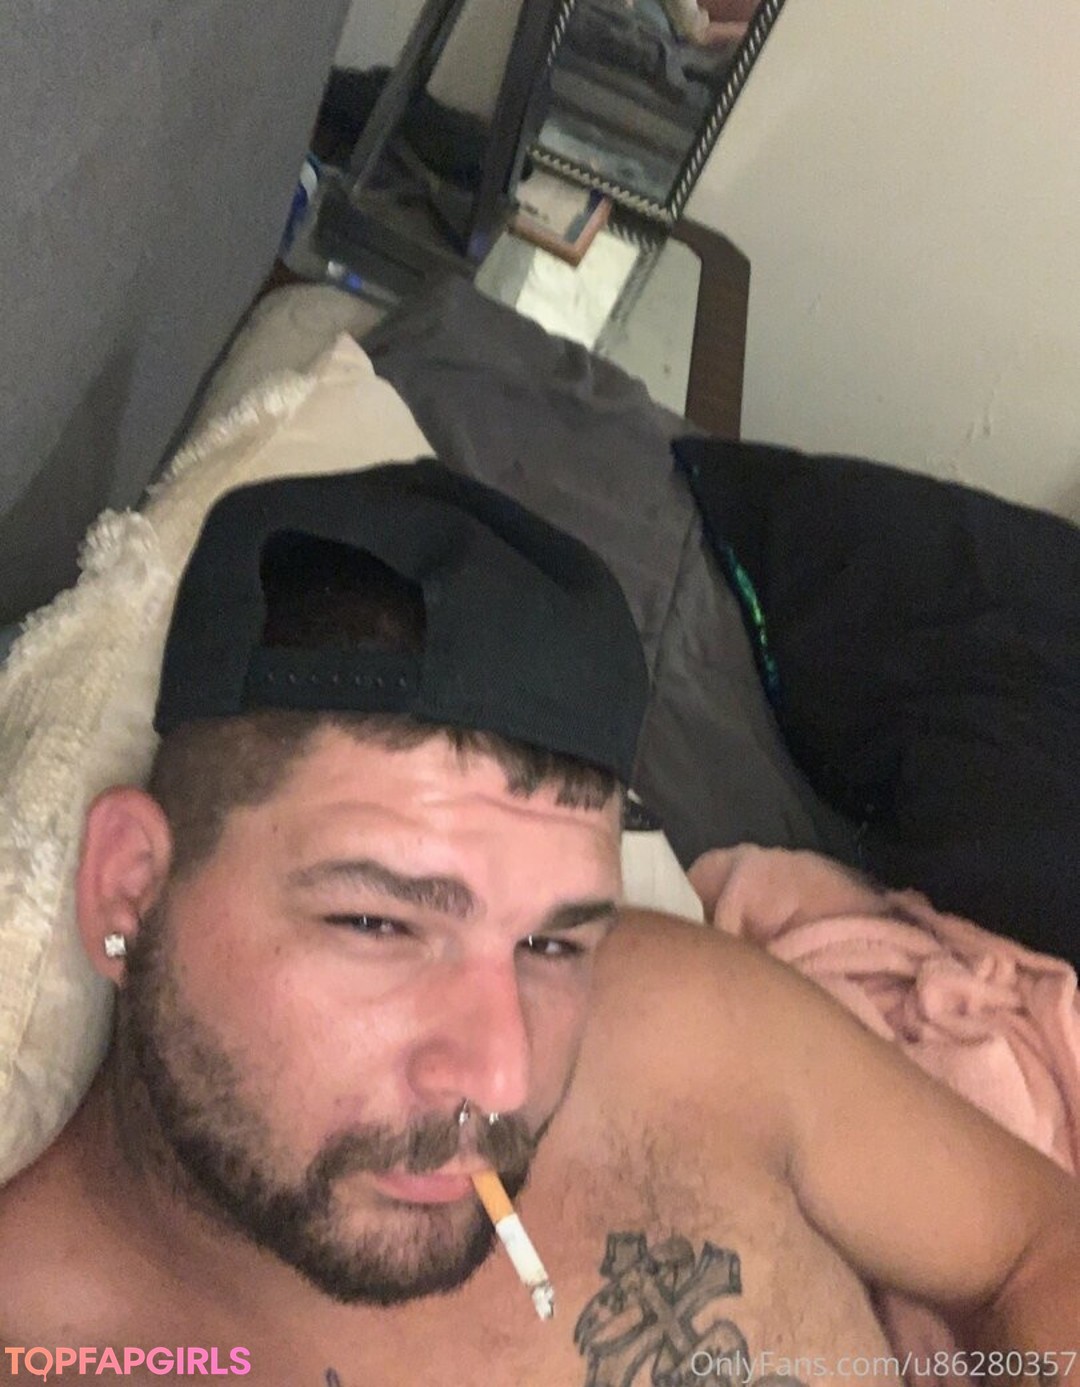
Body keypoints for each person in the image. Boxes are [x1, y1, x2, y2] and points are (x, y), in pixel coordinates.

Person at [1, 462, 1077, 1386]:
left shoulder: (670, 1019)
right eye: (378, 922)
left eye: (553, 942)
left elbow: (1039, 1245)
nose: (503, 1073)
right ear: (129, 887)